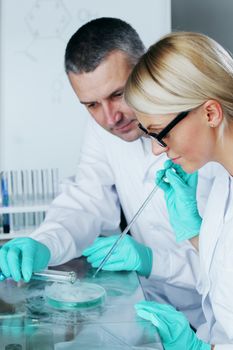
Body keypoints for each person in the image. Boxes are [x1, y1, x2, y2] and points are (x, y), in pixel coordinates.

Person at [0, 19, 213, 329]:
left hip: (215, 315)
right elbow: (87, 200)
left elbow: (222, 260)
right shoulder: (105, 130)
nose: (110, 118)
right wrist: (43, 244)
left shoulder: (200, 132)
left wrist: (152, 259)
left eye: (118, 94)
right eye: (91, 104)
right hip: (155, 307)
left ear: (146, 69)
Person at [125, 31, 233, 349]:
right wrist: (197, 234)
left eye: (160, 134)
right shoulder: (222, 184)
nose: (158, 151)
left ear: (210, 113)